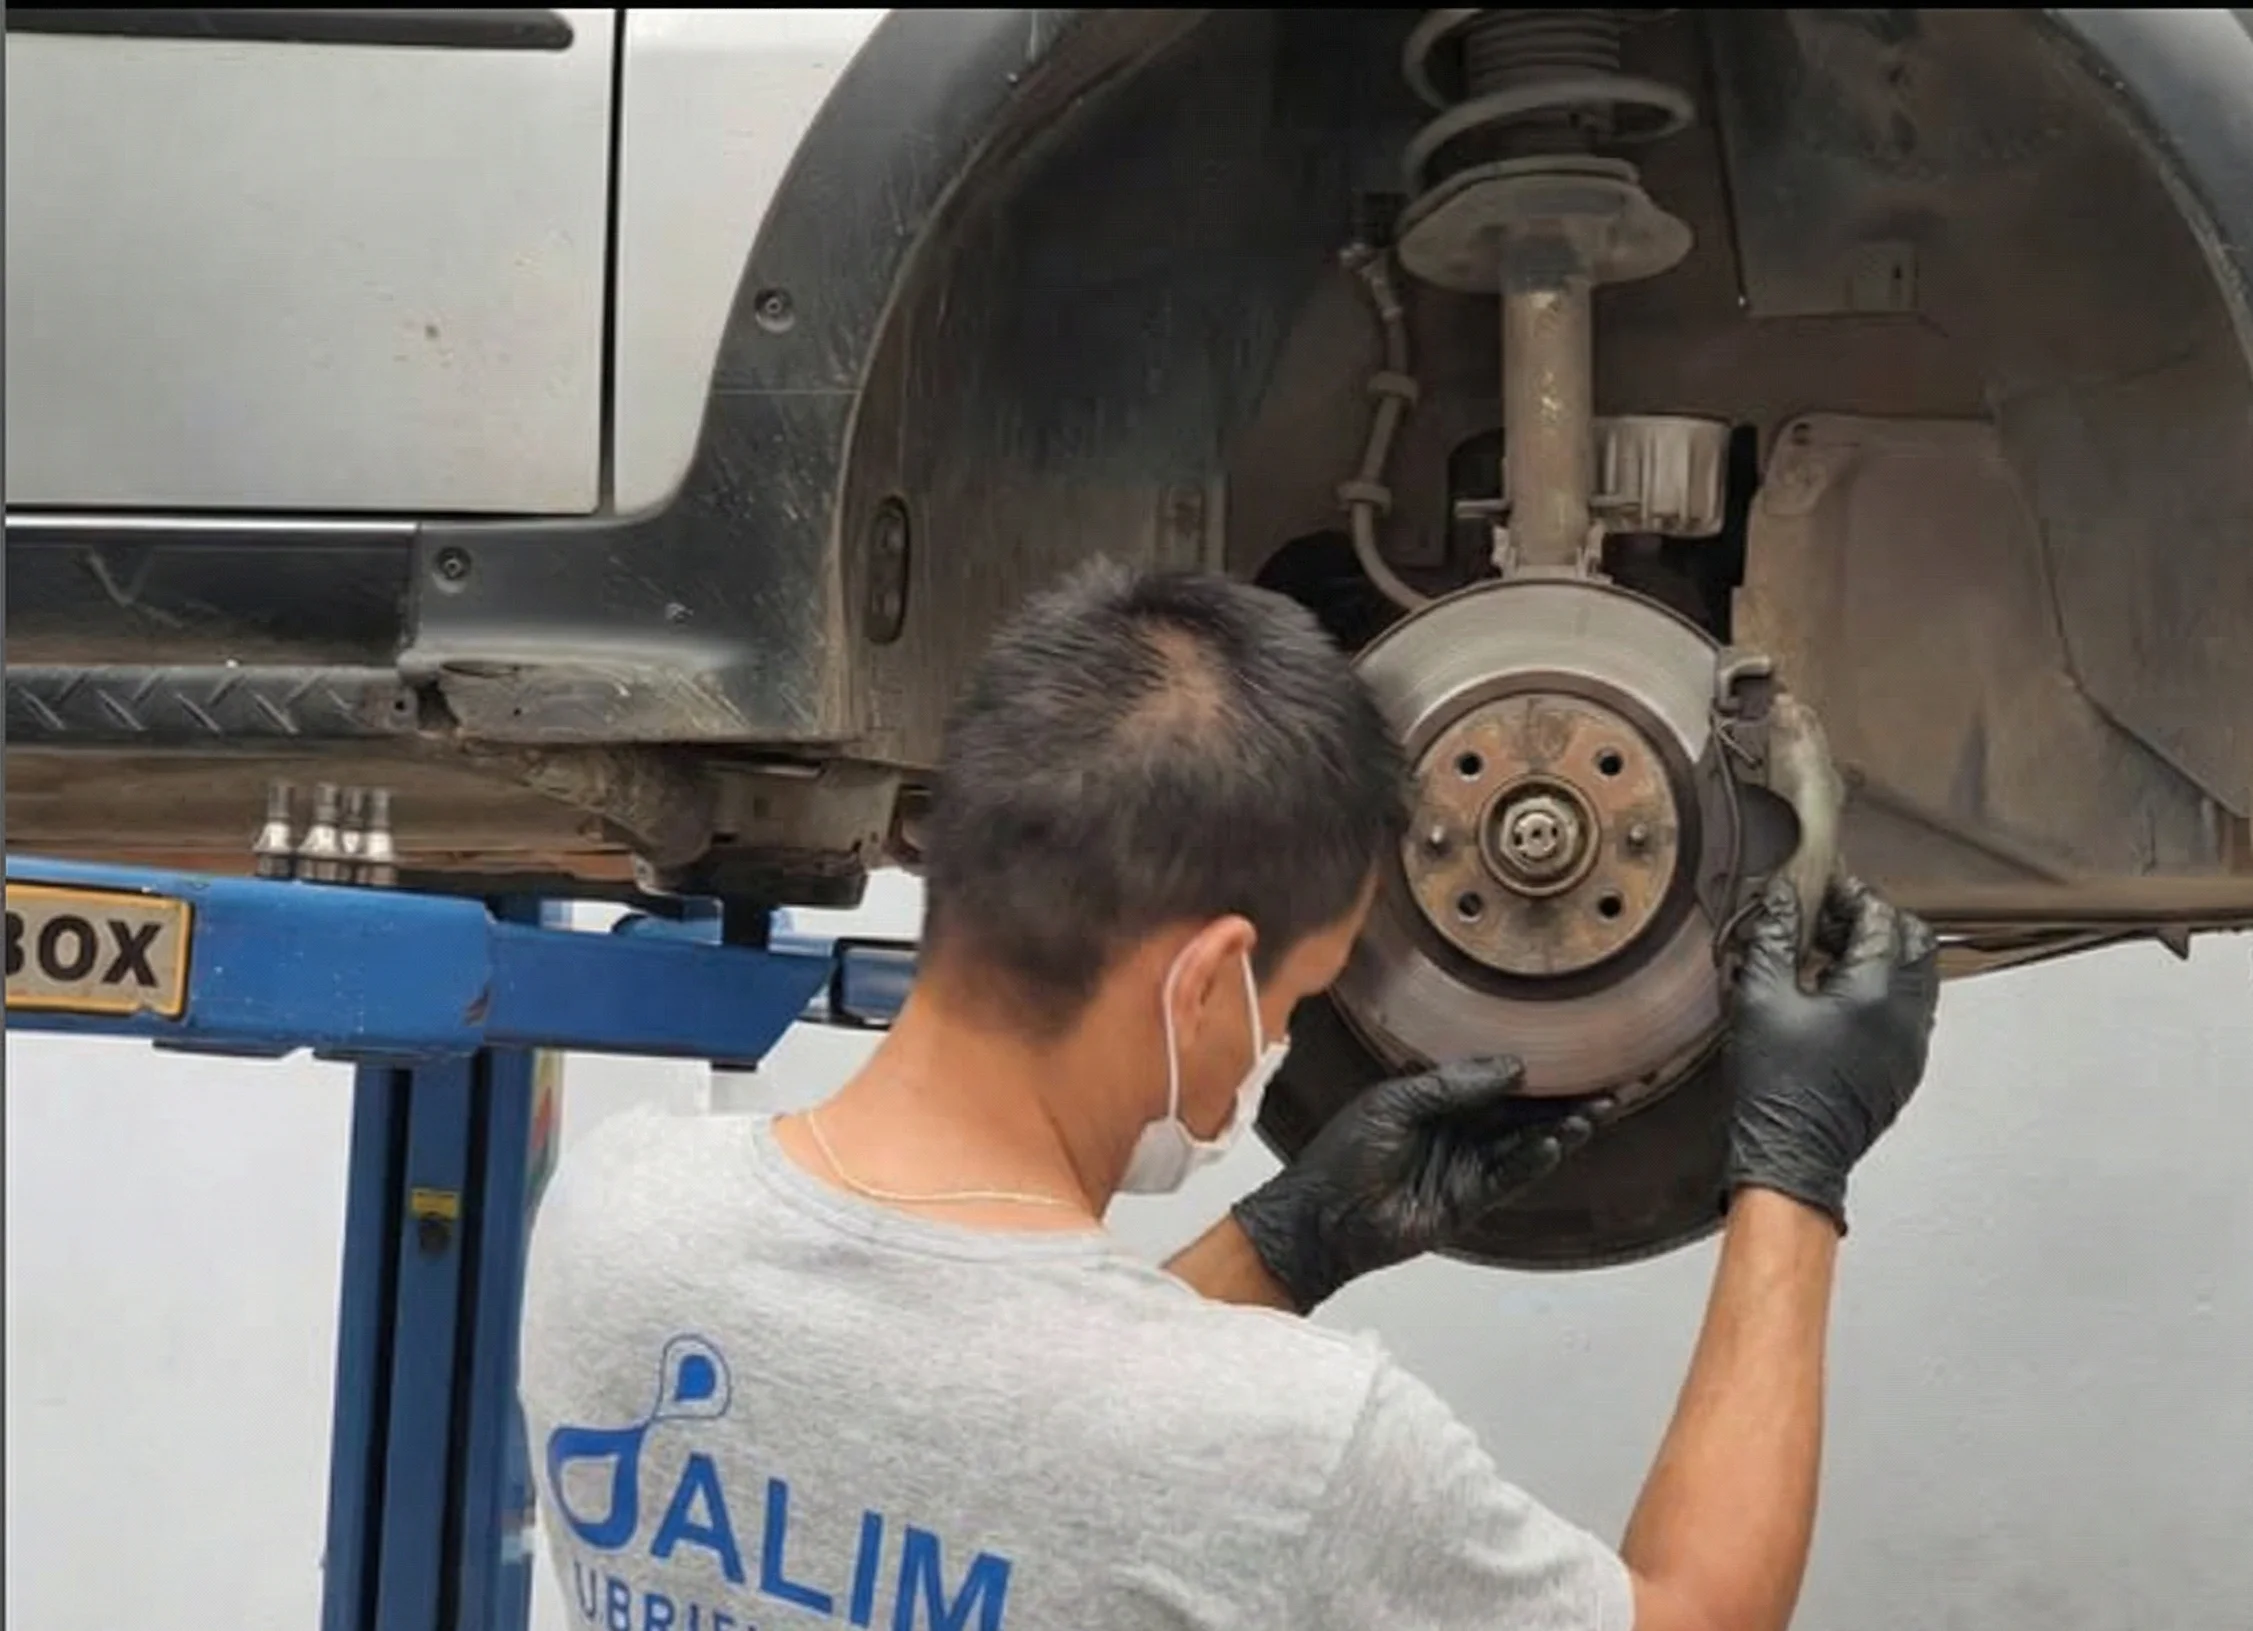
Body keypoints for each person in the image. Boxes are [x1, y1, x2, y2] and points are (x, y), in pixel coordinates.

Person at [519, 562, 1941, 1631]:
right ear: (1204, 984)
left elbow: (1000, 1449)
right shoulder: (1300, 1451)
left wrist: (1284, 1247)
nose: (1281, 1037)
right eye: (1298, 995)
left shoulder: (621, 1221)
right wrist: (1792, 1168)